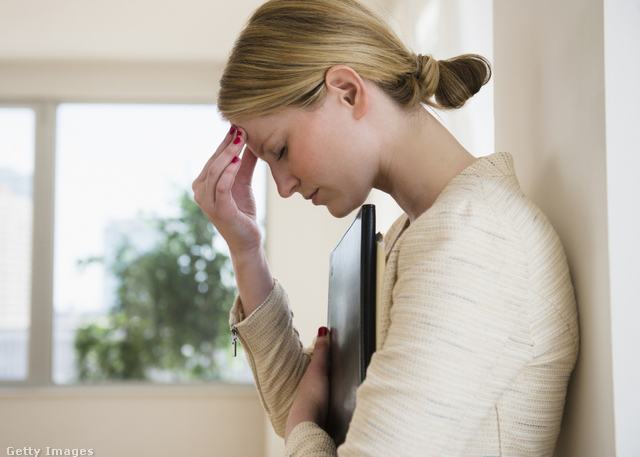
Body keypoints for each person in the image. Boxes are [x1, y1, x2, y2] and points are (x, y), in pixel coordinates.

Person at [191, 0, 580, 455]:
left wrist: (303, 429)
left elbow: (305, 427)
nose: (283, 186)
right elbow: (306, 411)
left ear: (348, 92)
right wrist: (246, 251)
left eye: (280, 150)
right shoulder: (414, 235)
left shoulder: (472, 240)